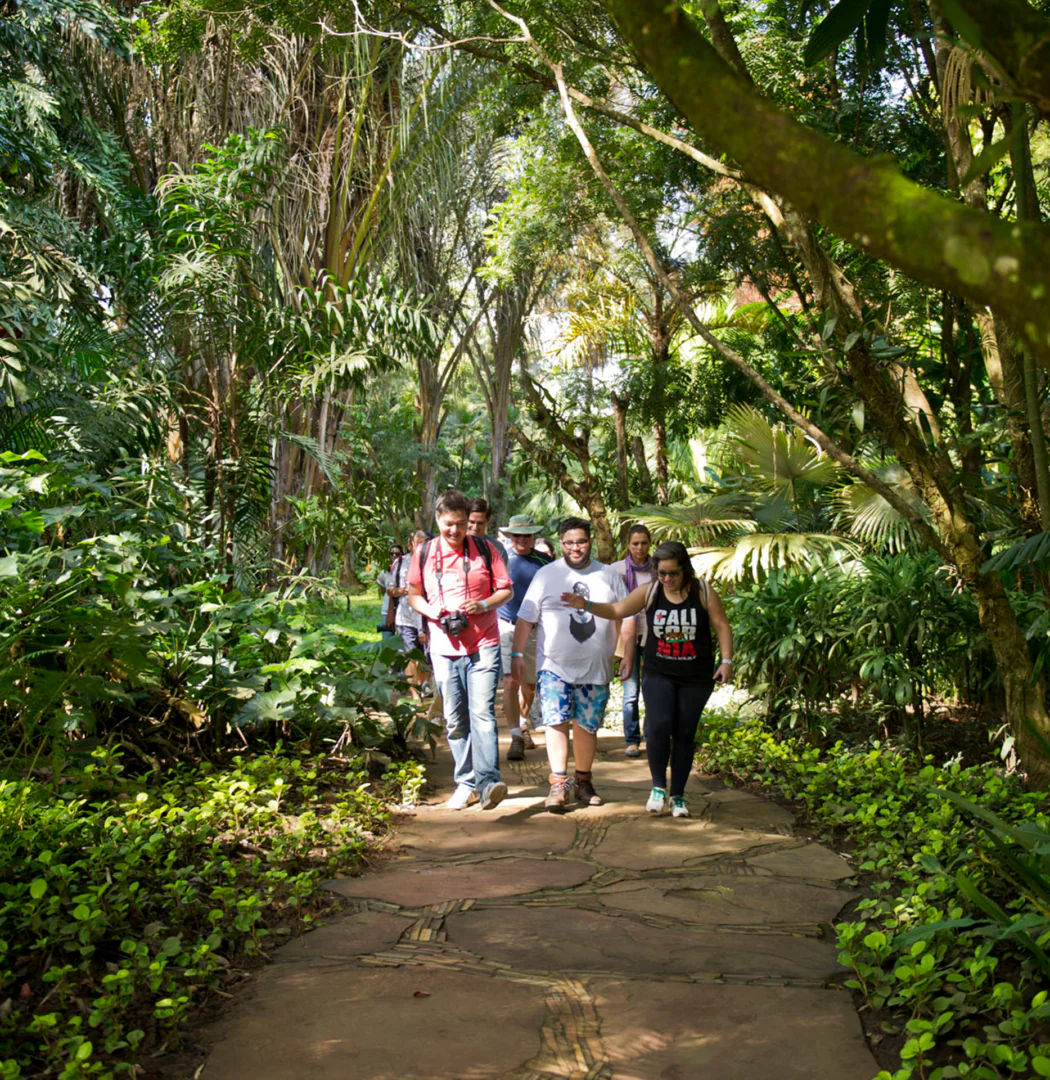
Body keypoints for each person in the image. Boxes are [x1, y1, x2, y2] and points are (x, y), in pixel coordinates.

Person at [560, 540, 733, 819]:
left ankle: (678, 795)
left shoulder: (702, 591)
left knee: (685, 732)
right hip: (658, 671)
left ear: (685, 570)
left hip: (696, 676)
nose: (667, 579)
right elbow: (617, 610)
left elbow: (722, 625)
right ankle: (658, 787)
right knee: (659, 725)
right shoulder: (651, 591)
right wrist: (586, 605)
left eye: (673, 574)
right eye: (662, 573)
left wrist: (726, 661)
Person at [513, 518, 633, 813]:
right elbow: (526, 618)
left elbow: (627, 615)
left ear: (590, 541)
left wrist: (628, 654)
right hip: (554, 665)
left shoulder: (608, 575)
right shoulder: (546, 574)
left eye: (580, 542)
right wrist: (517, 655)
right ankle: (558, 784)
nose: (575, 548)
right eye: (568, 543)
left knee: (587, 725)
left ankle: (583, 781)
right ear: (561, 543)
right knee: (555, 720)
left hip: (596, 666)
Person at [408, 489, 513, 811]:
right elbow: (413, 593)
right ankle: (466, 783)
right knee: (454, 719)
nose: (455, 530)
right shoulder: (425, 552)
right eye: (448, 524)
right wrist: (432, 611)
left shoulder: (486, 549)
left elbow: (506, 590)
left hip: (483, 643)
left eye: (461, 524)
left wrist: (483, 604)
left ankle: (488, 782)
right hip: (443, 647)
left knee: (482, 714)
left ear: (469, 521)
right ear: (437, 519)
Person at [498, 514, 553, 762]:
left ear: (533, 536)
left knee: (529, 685)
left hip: (534, 629)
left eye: (527, 535)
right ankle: (516, 737)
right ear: (510, 536)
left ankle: (523, 722)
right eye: (517, 535)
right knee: (510, 680)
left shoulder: (545, 562)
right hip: (506, 626)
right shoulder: (501, 559)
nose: (522, 539)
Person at [610, 525, 655, 757]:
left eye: (644, 543)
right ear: (628, 545)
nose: (640, 548)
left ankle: (651, 735)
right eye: (635, 543)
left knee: (653, 689)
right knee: (630, 690)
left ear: (650, 543)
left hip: (653, 635)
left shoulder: (658, 569)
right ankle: (632, 739)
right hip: (627, 636)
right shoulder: (616, 570)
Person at [390, 530, 428, 697]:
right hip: (406, 617)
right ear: (410, 545)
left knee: (426, 656)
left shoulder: (433, 561)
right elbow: (390, 590)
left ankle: (424, 685)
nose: (421, 547)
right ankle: (414, 692)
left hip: (427, 617)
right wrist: (404, 590)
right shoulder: (400, 563)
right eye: (417, 543)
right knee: (410, 655)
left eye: (424, 543)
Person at [467, 497, 509, 563]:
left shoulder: (497, 548)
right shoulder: (455, 545)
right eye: (472, 522)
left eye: (480, 523)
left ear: (488, 520)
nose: (475, 527)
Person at [377, 544, 404, 637]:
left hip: (402, 610)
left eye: (397, 554)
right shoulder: (385, 572)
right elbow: (382, 588)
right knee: (387, 639)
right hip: (386, 610)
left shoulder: (405, 570)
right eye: (392, 553)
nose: (394, 556)